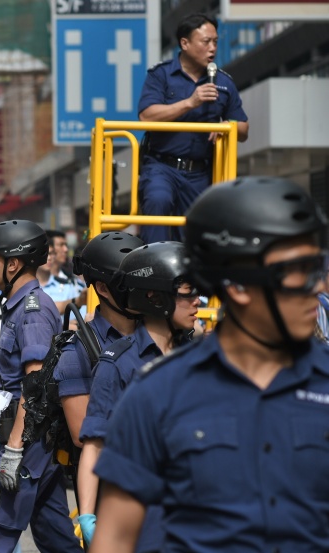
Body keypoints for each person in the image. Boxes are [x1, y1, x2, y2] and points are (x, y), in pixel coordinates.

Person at [90, 176, 329, 552]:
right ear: (236, 286)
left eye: (318, 268)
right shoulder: (157, 395)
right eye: (299, 271)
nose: (318, 287)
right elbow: (116, 539)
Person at [77, 241, 199, 551]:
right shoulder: (117, 363)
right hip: (142, 518)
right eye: (187, 292)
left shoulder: (200, 359)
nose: (198, 301)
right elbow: (94, 444)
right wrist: (88, 516)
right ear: (154, 296)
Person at [0, 220, 81, 553]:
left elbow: (35, 387)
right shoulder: (21, 305)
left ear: (14, 264)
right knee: (54, 532)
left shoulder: (32, 310)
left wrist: (14, 450)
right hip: (34, 440)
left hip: (26, 442)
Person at [137, 13, 249, 245]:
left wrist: (226, 127)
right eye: (206, 42)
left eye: (216, 42)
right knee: (158, 199)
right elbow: (146, 115)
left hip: (200, 172)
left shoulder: (224, 82)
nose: (213, 48)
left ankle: (191, 278)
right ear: (184, 43)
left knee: (197, 232)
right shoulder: (161, 75)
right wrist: (190, 102)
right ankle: (150, 269)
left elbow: (244, 128)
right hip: (161, 166)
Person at [55, 231, 143, 451]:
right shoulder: (76, 352)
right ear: (103, 288)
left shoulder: (158, 333)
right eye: (128, 283)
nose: (142, 291)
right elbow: (82, 434)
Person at [39, 230, 86, 315]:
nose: (66, 249)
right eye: (61, 245)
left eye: (51, 253)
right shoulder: (27, 285)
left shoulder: (71, 283)